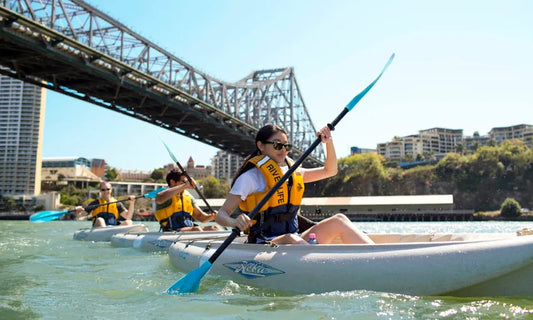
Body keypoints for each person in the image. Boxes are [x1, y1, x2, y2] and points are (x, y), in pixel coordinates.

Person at [215, 123, 374, 245]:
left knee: (339, 219)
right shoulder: (250, 177)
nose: (283, 150)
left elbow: (330, 170)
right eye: (277, 144)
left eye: (286, 146)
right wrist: (234, 222)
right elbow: (221, 215)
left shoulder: (292, 173)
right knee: (292, 238)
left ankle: (376, 256)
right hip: (264, 243)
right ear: (261, 146)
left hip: (295, 238)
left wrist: (328, 142)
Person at [154, 168, 221, 232]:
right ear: (172, 182)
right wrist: (185, 185)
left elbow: (200, 217)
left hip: (189, 229)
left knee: (215, 228)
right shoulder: (165, 194)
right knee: (196, 230)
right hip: (171, 230)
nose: (186, 184)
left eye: (186, 182)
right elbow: (159, 199)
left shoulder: (188, 197)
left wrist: (212, 216)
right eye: (183, 182)